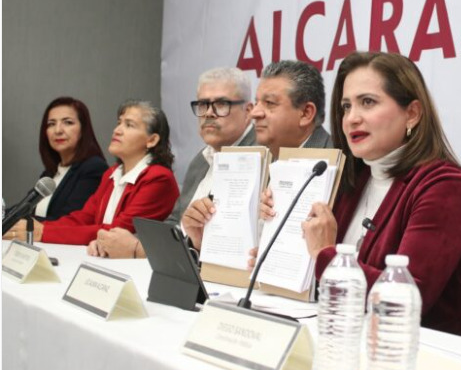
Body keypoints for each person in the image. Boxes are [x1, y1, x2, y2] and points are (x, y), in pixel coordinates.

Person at [259, 52, 461, 337]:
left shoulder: (445, 187)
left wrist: (326, 254)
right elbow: (318, 276)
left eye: (368, 102)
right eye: (346, 106)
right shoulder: (352, 178)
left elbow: (404, 301)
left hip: (420, 352)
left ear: (412, 113)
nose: (352, 118)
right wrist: (275, 251)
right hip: (342, 338)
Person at [93, 67, 255, 257]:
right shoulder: (201, 161)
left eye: (221, 104)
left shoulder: (261, 158)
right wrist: (114, 242)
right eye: (203, 104)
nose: (209, 113)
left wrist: (138, 249)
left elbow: (229, 246)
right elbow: (174, 224)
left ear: (248, 111)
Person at [182, 60, 332, 250]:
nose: (255, 113)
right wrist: (199, 241)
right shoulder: (269, 160)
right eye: (258, 102)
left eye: (269, 103)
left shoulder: (336, 168)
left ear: (305, 113)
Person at [4, 100, 179, 259]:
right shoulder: (112, 173)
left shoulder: (159, 178)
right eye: (119, 123)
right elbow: (83, 218)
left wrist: (44, 232)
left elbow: (117, 231)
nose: (117, 130)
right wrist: (39, 228)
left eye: (129, 125)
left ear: (152, 140)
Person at [34, 97, 108, 220]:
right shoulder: (49, 174)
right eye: (51, 124)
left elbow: (69, 221)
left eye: (68, 122)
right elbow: (23, 210)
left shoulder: (93, 168)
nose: (58, 130)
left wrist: (25, 224)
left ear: (83, 129)